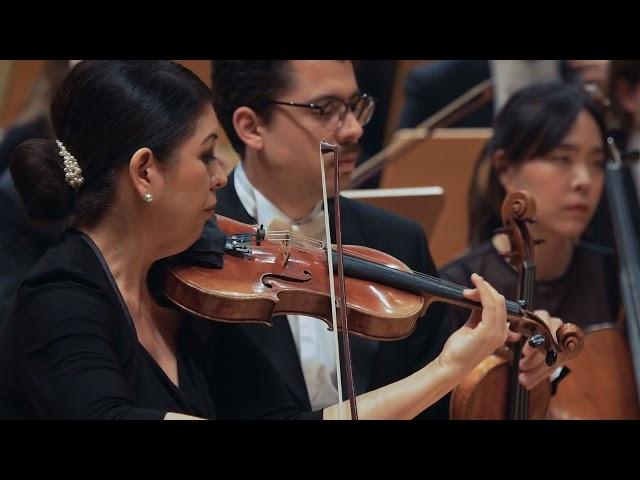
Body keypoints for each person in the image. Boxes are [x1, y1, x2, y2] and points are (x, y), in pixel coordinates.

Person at [0, 59, 516, 420]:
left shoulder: (187, 287)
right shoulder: (59, 301)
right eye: (205, 156)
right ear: (144, 173)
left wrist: (452, 366)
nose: (221, 174)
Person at [205, 60, 556, 420]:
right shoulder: (199, 251)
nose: (355, 129)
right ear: (251, 127)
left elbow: (441, 407)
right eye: (326, 110)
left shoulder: (396, 242)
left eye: (355, 106)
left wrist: (512, 363)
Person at [441, 82, 618, 390]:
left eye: (596, 162)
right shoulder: (459, 289)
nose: (584, 180)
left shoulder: (614, 276)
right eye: (562, 158)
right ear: (505, 169)